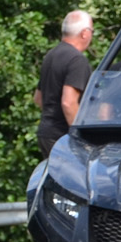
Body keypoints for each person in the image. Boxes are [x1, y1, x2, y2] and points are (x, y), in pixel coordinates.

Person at [34, 10, 93, 157]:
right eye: (92, 31)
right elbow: (68, 102)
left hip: (46, 133)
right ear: (84, 33)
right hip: (62, 137)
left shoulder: (51, 55)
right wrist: (81, 138)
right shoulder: (77, 60)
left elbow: (38, 98)